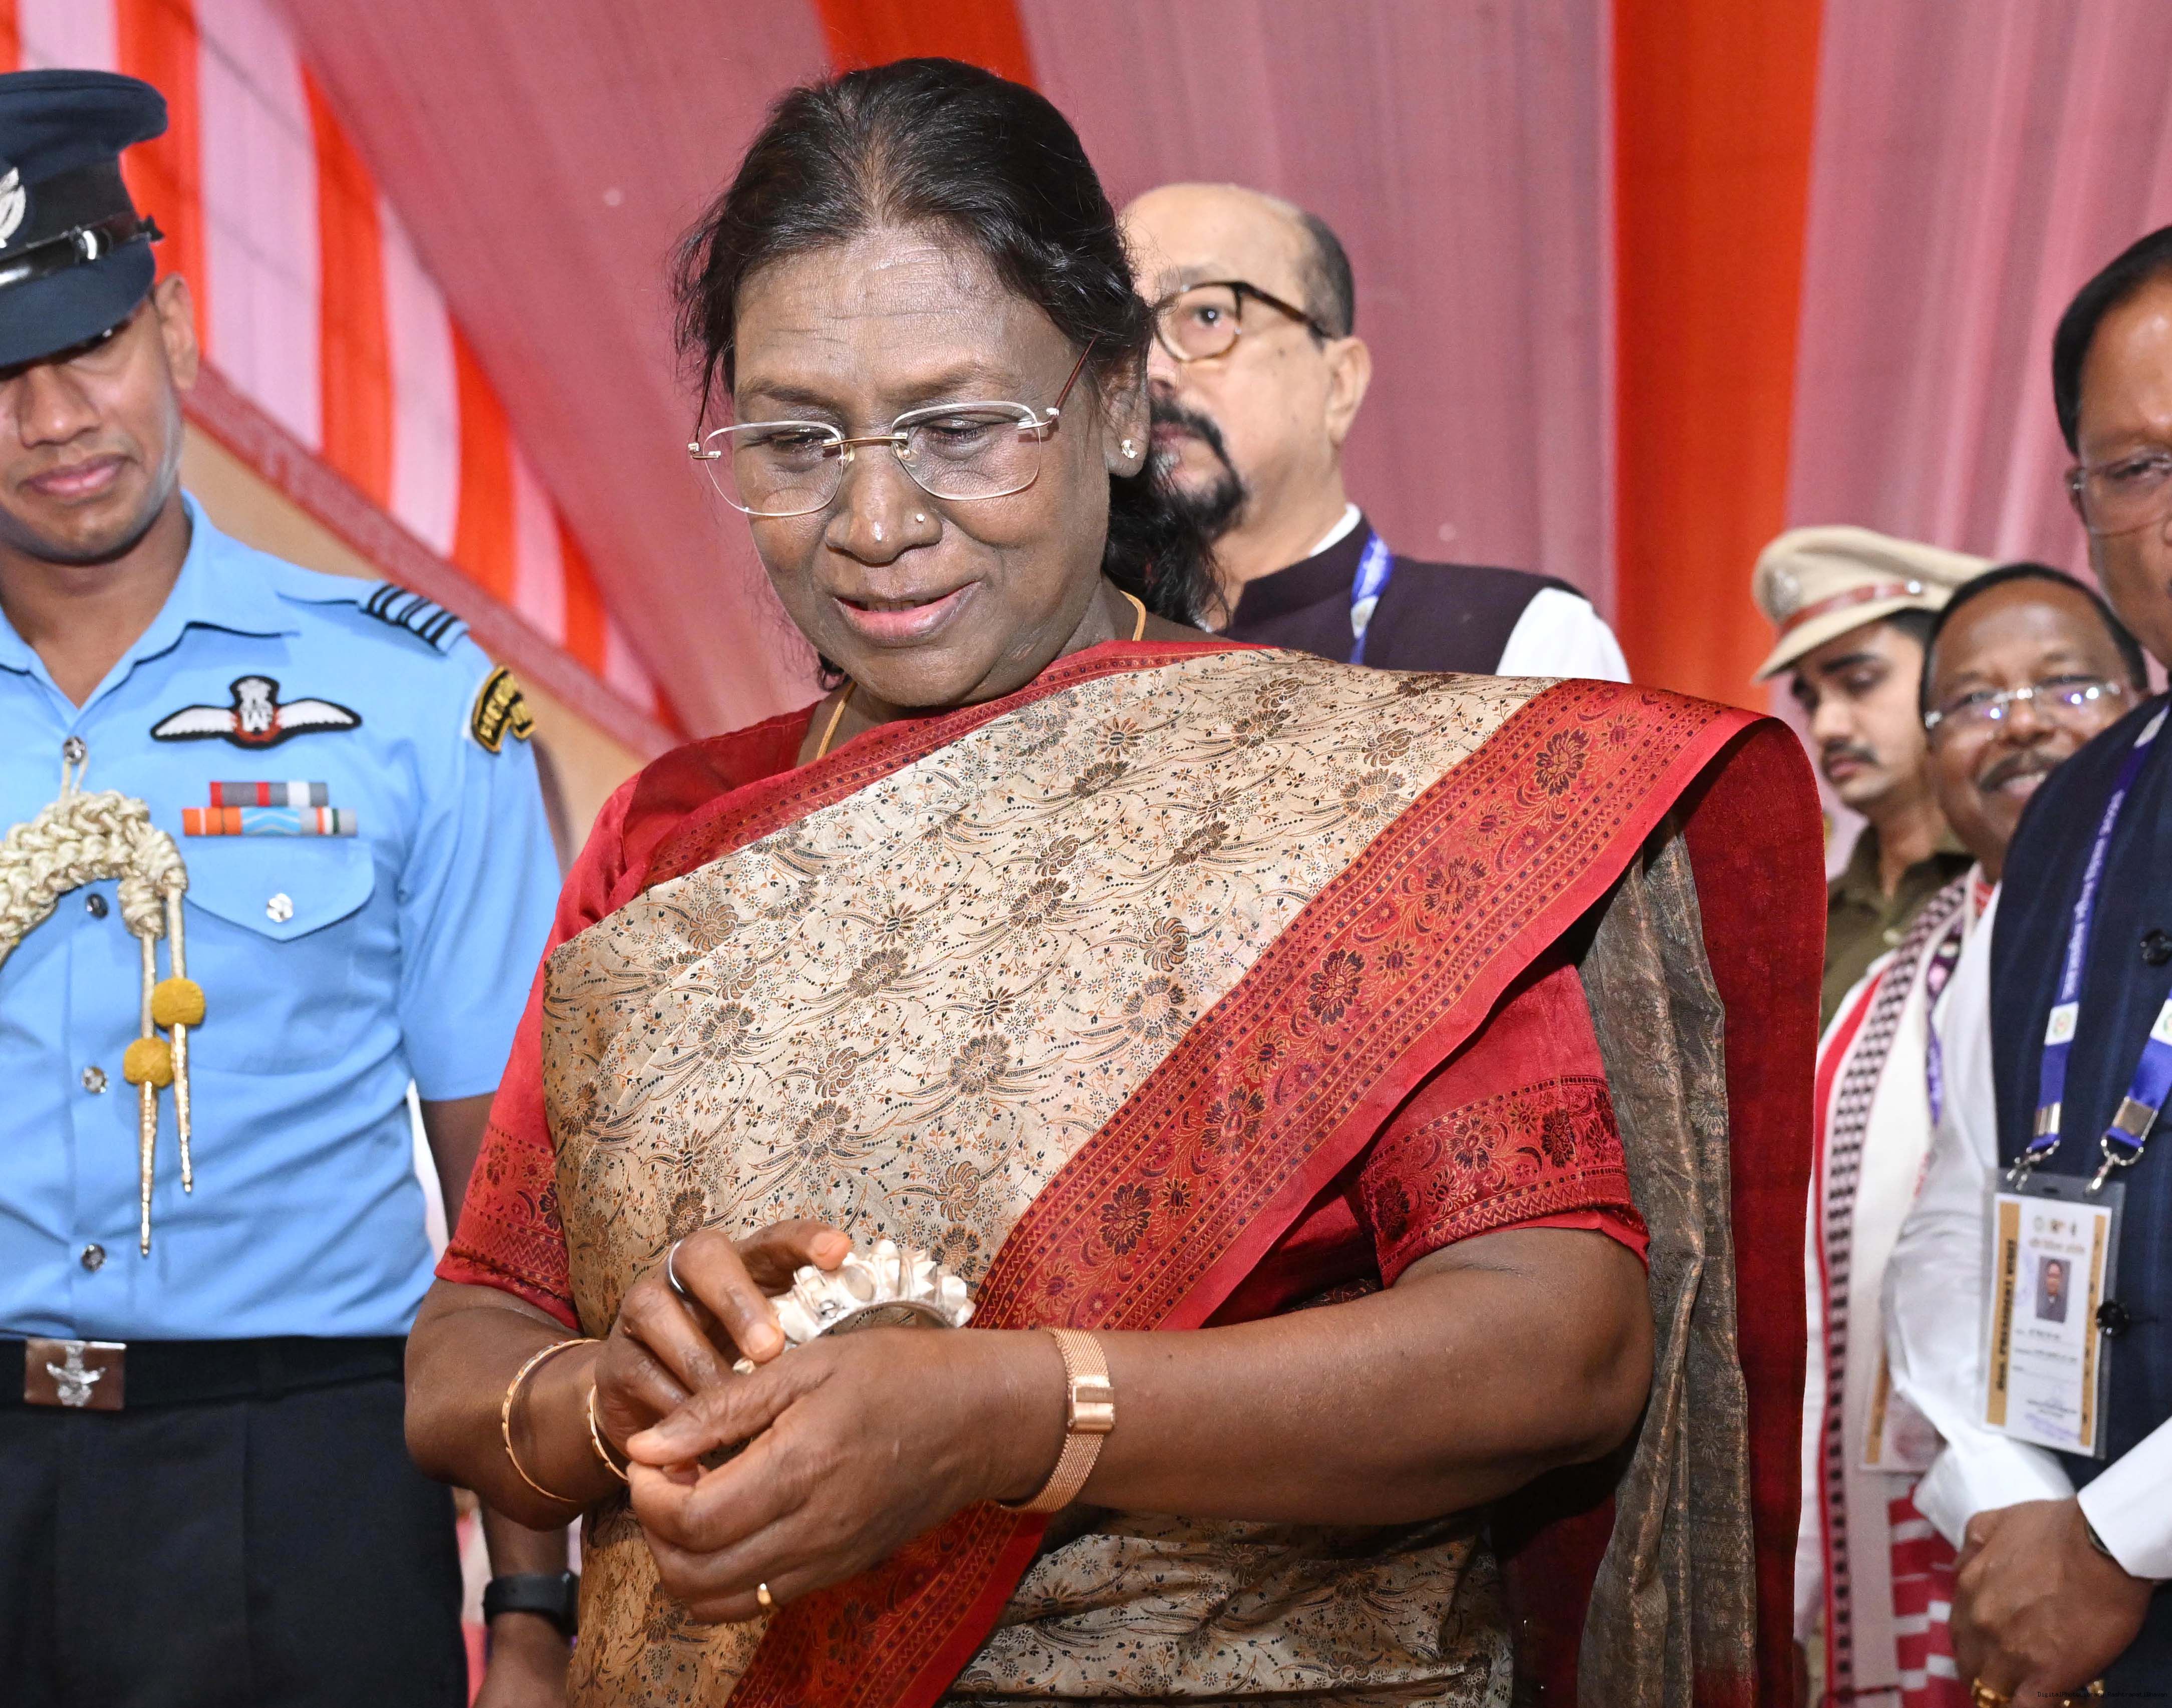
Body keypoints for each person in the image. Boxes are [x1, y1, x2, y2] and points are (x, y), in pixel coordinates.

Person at [403, 59, 1824, 1708]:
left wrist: (1014, 1415)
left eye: (961, 430)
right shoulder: (675, 830)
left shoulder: (1338, 807)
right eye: (795, 441)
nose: (875, 520)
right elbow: (463, 1348)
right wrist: (609, 1397)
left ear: (1121, 408)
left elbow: (1557, 1339)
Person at [0, 70, 571, 1705]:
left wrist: (536, 1607)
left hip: (304, 1481)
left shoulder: (412, 702)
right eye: (1, 373)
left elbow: (510, 1194)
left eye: (93, 343)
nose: (55, 417)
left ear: (176, 328)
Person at [1885, 228, 2172, 1706]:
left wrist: (2119, 1536)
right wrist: (2009, 1496)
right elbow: (1961, 1212)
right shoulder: (2074, 809)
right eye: (2135, 468)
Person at [1800, 563, 2142, 1707]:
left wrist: (2114, 1530)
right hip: (1986, 1527)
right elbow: (1927, 1252)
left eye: (2066, 686)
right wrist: (2016, 1498)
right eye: (1975, 702)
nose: (2022, 724)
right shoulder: (1893, 985)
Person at [1117, 183, 1628, 679]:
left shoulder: (1526, 646)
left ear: (1340, 384)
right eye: (1124, 329)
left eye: (1208, 315)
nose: (1151, 368)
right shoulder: (1092, 654)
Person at [1752, 526, 1988, 1026]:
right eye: (1811, 700)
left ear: (1952, 674)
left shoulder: (2011, 880)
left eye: (1859, 682)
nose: (1825, 726)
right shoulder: (1808, 922)